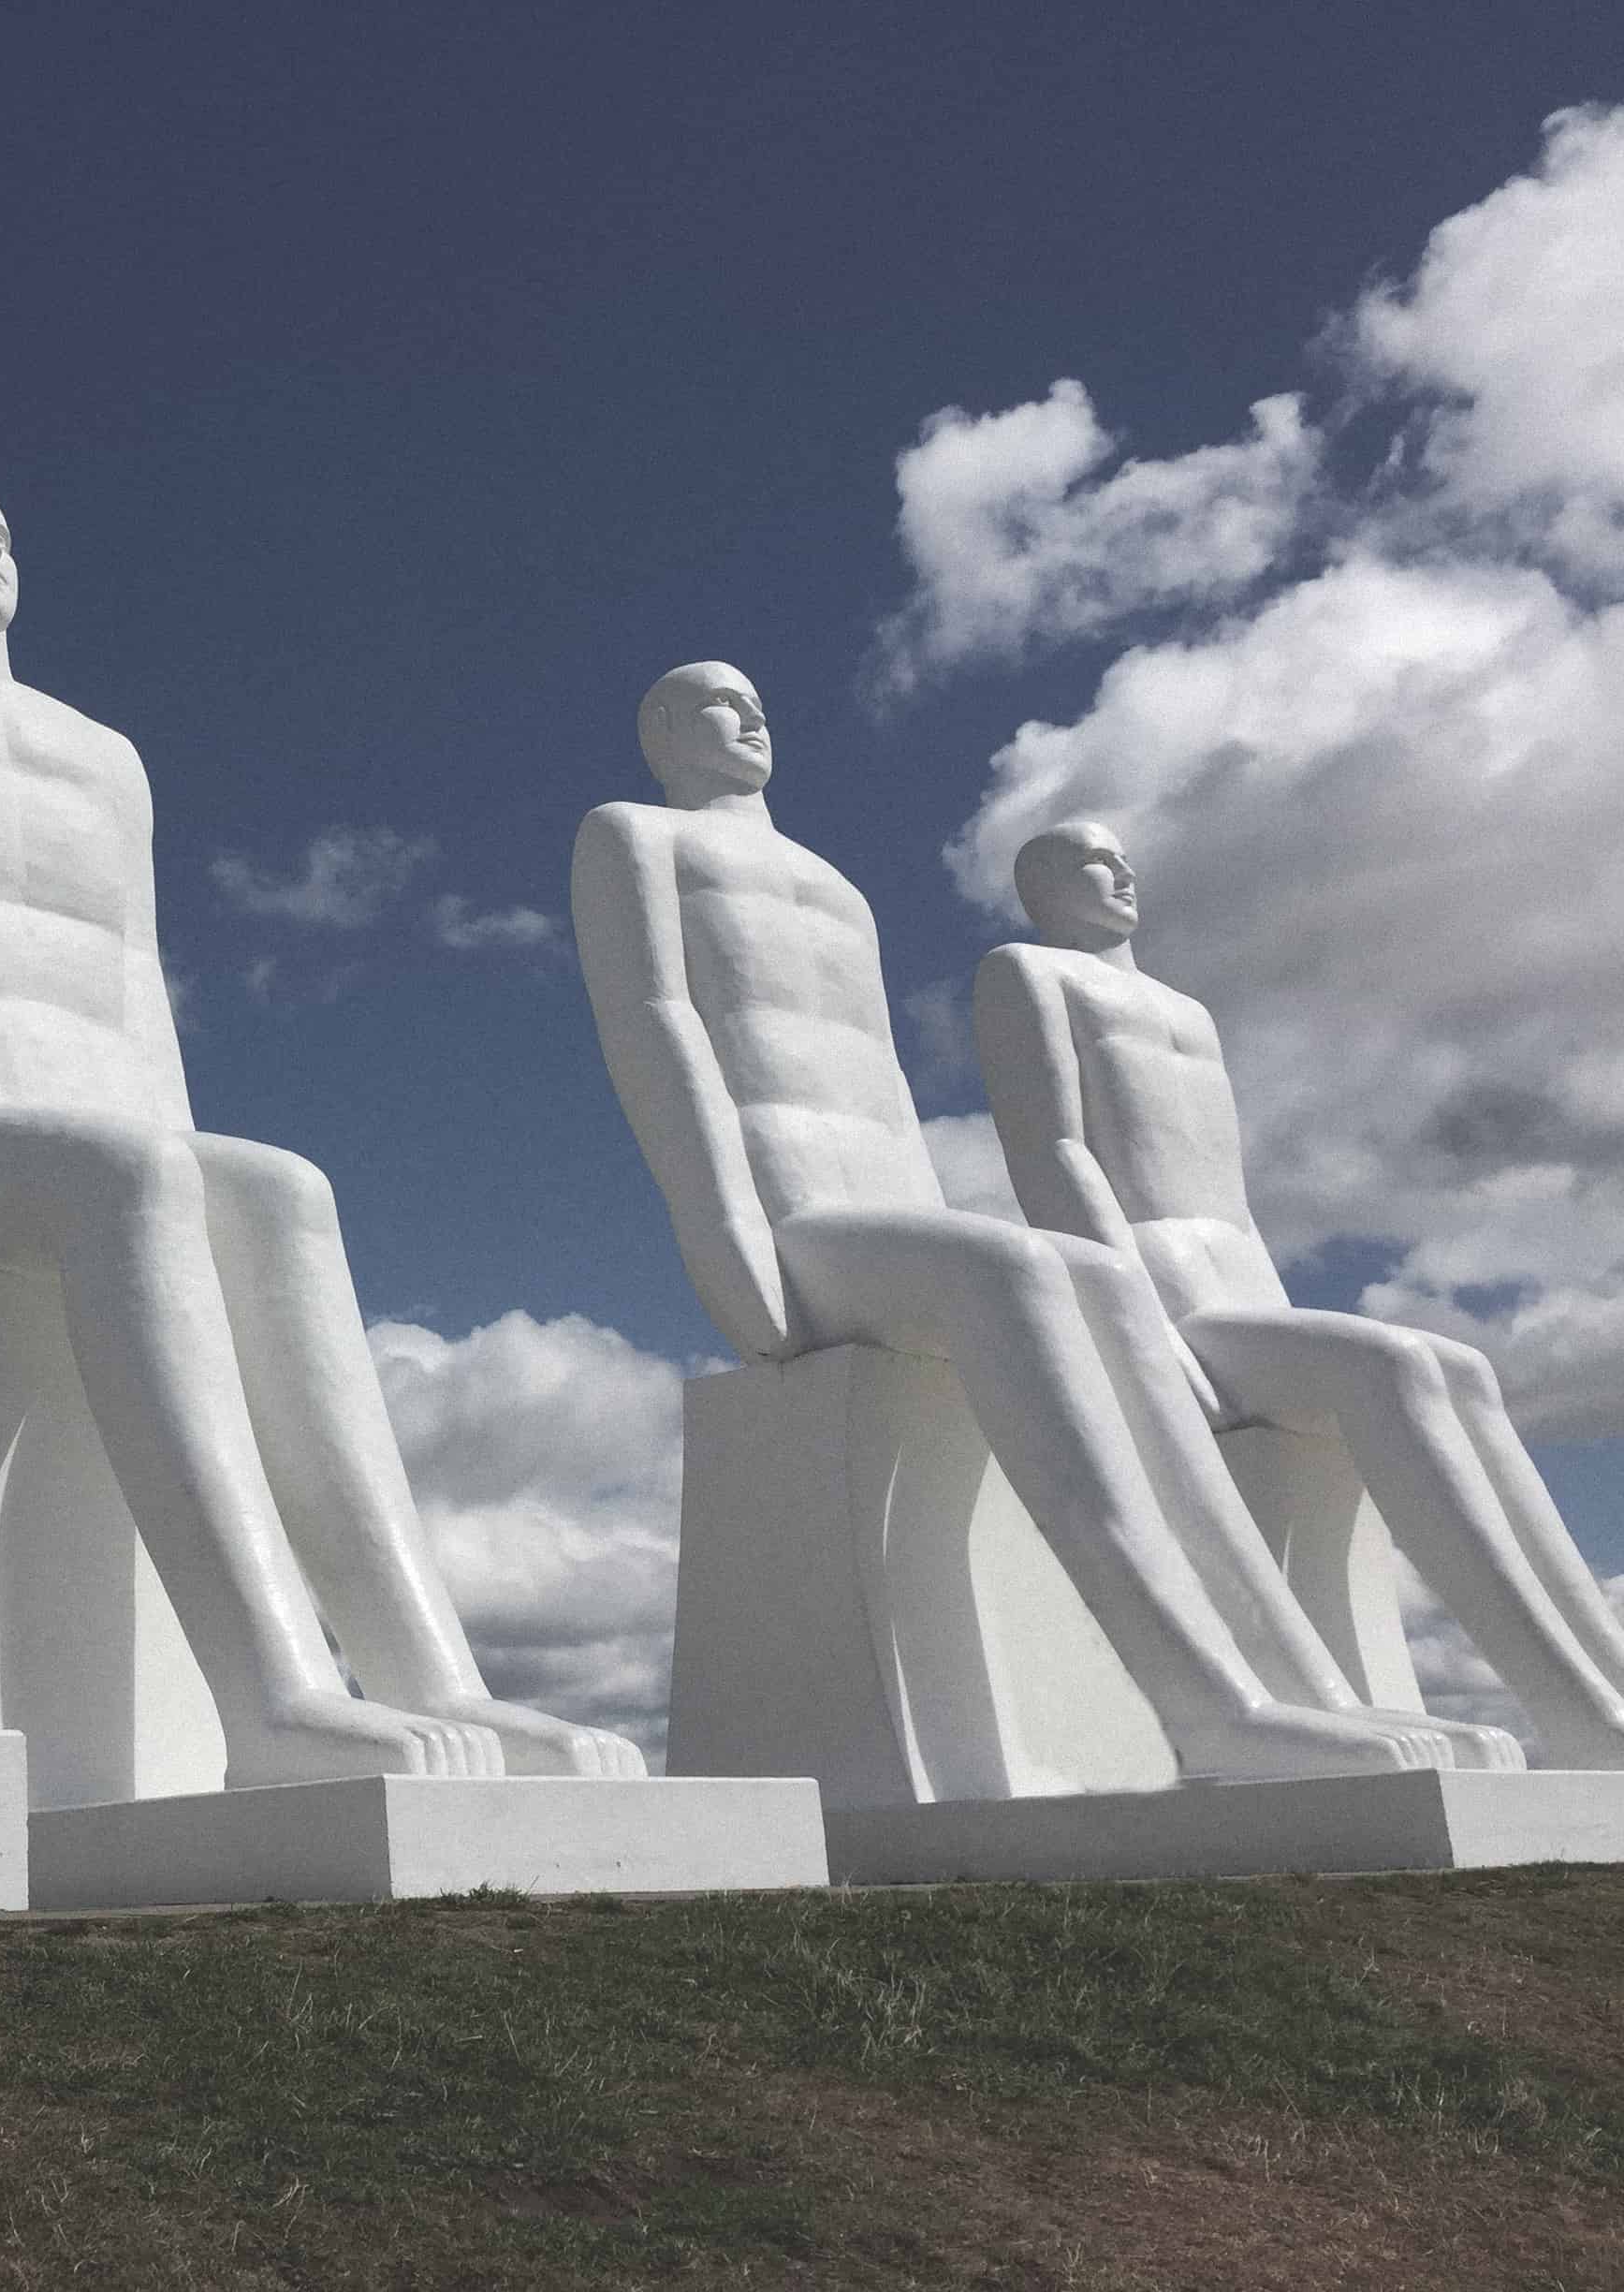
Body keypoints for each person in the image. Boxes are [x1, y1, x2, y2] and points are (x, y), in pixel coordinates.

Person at [0, 481, 635, 1786]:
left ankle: (439, 1680)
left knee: (279, 1194)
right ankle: (275, 1692)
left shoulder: (106, 756)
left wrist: (177, 1169)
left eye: (4, 531)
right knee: (147, 1177)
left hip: (110, 1132)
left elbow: (135, 975)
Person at [571, 661, 1518, 1784]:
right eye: (718, 702)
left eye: (759, 700)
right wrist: (718, 1223)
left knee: (1103, 1285)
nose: (752, 715)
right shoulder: (633, 835)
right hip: (797, 1215)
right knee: (1025, 1276)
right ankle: (1207, 1705)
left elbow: (878, 1079)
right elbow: (657, 1024)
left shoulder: (837, 886)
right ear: (664, 727)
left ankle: (1294, 1690)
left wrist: (934, 1220)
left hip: (891, 1204)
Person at [979, 820, 1624, 1766]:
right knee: (1398, 1364)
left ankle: (1602, 1681)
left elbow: (1228, 1191)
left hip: (1242, 1281)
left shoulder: (1190, 1012)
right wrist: (1138, 1320)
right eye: (1089, 861)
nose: (1119, 871)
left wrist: (1280, 1306)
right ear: (1040, 890)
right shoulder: (1029, 975)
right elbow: (1054, 1152)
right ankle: (1573, 1711)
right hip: (1163, 1286)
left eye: (1123, 857)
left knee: (1466, 1370)